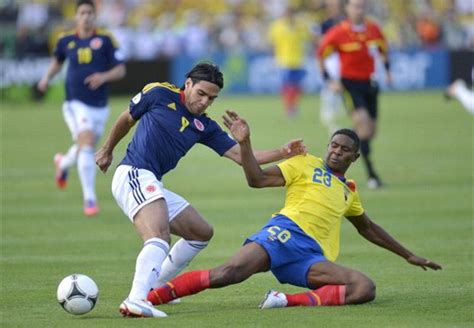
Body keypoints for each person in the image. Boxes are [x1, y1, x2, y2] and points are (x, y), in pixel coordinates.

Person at [147, 111, 441, 311]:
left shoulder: (349, 190)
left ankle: (284, 300)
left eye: (343, 149)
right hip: (284, 233)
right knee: (229, 273)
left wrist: (408, 255)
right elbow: (256, 180)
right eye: (333, 145)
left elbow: (368, 228)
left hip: (311, 256)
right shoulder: (305, 163)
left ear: (355, 156)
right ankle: (151, 298)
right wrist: (245, 143)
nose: (336, 151)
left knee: (364, 288)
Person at [94, 62, 306, 318]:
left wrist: (282, 152)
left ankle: (155, 286)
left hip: (151, 180)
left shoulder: (204, 126)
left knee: (200, 232)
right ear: (189, 83)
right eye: (201, 94)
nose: (205, 102)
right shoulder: (160, 93)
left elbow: (240, 156)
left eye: (212, 98)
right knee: (158, 237)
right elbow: (127, 118)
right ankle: (136, 300)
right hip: (134, 173)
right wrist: (107, 149)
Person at [37, 0, 126, 216]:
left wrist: (102, 76)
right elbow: (57, 62)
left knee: (83, 146)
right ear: (76, 16)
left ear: (94, 16)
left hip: (99, 106)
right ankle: (90, 199)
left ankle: (63, 162)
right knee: (87, 144)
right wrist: (47, 77)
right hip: (75, 102)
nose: (86, 16)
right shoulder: (66, 40)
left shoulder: (105, 40)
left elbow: (120, 70)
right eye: (82, 13)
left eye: (89, 13)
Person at [316, 0, 392, 189]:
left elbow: (384, 50)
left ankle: (343, 142)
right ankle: (372, 175)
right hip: (350, 85)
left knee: (370, 131)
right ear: (347, 9)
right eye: (355, 6)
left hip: (370, 85)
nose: (359, 10)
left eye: (362, 6)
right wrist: (329, 80)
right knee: (364, 127)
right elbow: (320, 55)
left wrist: (388, 71)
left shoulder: (374, 29)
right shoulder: (338, 32)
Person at [268, 7, 311, 117]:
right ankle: (289, 108)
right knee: (287, 86)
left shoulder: (300, 26)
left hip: (298, 60)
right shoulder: (277, 26)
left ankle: (293, 105)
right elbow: (273, 44)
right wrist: (273, 58)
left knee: (298, 87)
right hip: (284, 61)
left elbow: (307, 40)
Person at [317, 0, 345, 134]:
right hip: (330, 57)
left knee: (341, 82)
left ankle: (338, 107)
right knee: (330, 82)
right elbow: (322, 41)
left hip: (341, 55)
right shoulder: (325, 24)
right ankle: (327, 109)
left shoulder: (344, 22)